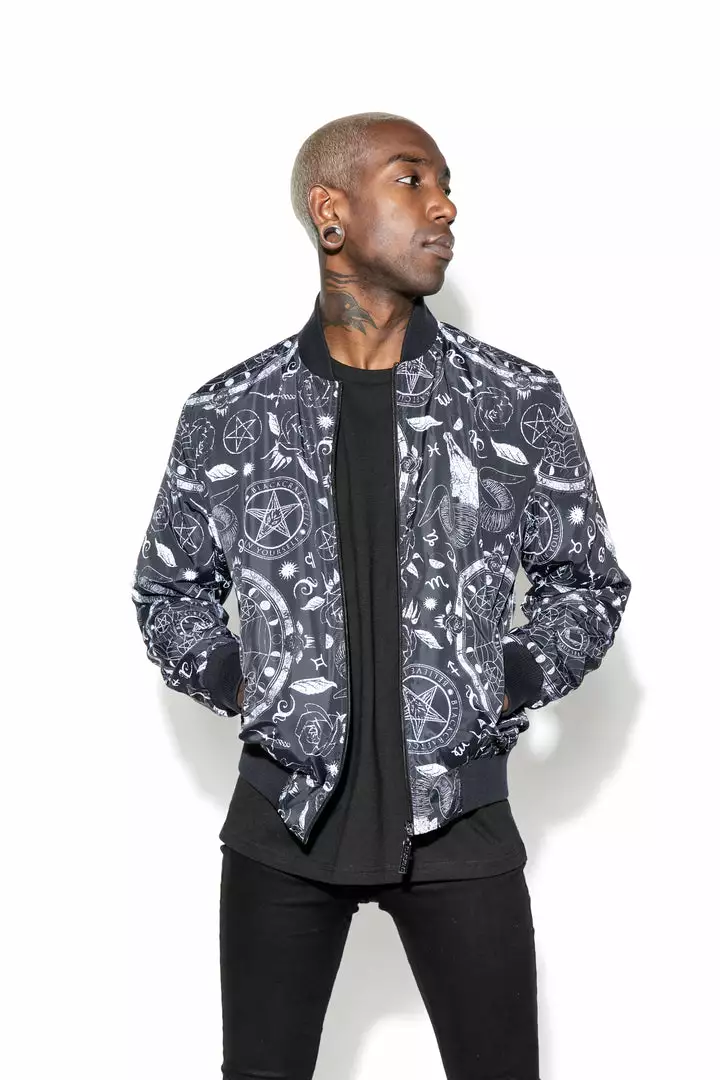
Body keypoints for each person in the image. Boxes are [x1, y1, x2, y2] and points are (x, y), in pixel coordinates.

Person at [131, 111, 632, 1080]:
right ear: (332, 213)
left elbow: (587, 583)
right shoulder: (232, 412)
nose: (444, 207)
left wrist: (507, 675)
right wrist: (246, 681)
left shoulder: (512, 401)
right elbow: (168, 589)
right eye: (412, 180)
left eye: (447, 184)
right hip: (283, 818)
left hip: (460, 819)